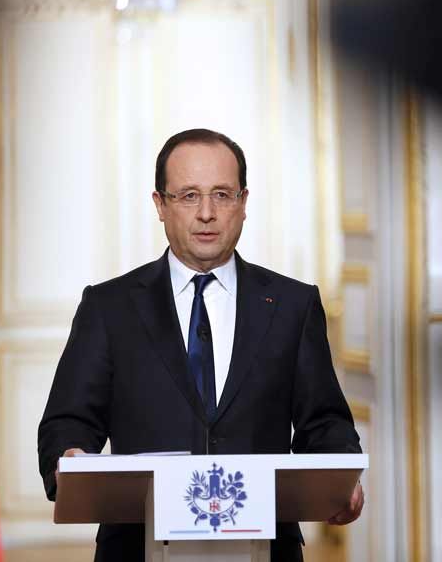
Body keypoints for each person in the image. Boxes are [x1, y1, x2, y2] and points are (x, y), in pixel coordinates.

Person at [38, 128, 364, 561]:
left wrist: (340, 473)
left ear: (243, 203)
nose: (207, 213)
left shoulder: (293, 305)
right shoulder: (109, 306)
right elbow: (68, 420)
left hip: (264, 547)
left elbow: (323, 420)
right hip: (138, 547)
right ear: (160, 205)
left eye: (222, 195)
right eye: (189, 196)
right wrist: (69, 457)